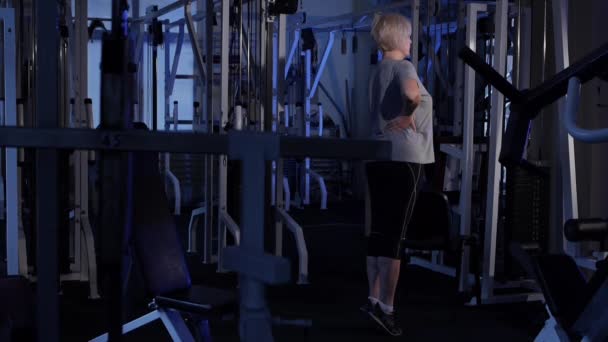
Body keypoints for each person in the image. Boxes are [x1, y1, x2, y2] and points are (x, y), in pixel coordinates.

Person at [361, 12, 435, 336]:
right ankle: (388, 310)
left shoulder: (378, 71)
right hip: (404, 159)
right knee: (395, 237)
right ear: (398, 38)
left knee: (378, 232)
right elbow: (412, 95)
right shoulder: (405, 67)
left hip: (377, 157)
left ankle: (373, 299)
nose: (410, 41)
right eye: (408, 36)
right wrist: (408, 116)